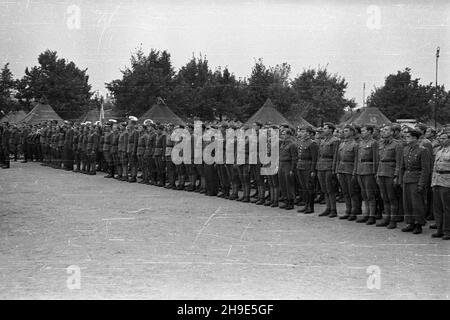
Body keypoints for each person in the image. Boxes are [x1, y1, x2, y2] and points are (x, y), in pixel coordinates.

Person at [399, 128, 430, 234]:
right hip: (407, 178)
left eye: (408, 137)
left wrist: (422, 183)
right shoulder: (406, 149)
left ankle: (418, 224)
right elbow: (402, 166)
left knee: (417, 203)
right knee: (407, 202)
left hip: (416, 179)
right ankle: (410, 222)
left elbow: (425, 169)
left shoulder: (423, 150)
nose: (406, 139)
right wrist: (401, 179)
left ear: (415, 138)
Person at [376, 125, 403, 229]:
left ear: (392, 132)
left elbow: (399, 162)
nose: (383, 132)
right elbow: (380, 160)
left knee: (392, 197)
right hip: (382, 172)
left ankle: (393, 220)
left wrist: (396, 176)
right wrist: (378, 174)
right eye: (382, 130)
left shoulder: (397, 144)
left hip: (390, 173)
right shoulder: (381, 143)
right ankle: (386, 218)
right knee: (384, 197)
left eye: (386, 130)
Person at [334, 124, 360, 219]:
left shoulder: (355, 144)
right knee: (345, 192)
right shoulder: (341, 144)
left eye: (346, 131)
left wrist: (354, 172)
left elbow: (357, 160)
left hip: (350, 170)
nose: (344, 133)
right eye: (344, 131)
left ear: (352, 132)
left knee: (352, 192)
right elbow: (338, 159)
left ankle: (354, 211)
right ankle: (348, 210)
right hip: (341, 169)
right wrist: (337, 170)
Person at [355, 125, 379, 225]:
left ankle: (372, 215)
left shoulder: (374, 143)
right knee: (364, 194)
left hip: (369, 170)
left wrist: (375, 172)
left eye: (364, 131)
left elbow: (376, 159)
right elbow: (357, 158)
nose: (362, 132)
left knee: (370, 194)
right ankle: (367, 214)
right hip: (360, 169)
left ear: (369, 132)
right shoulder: (360, 143)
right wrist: (356, 170)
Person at [316, 122, 340, 217]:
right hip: (321, 166)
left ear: (331, 130)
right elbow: (319, 155)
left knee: (330, 189)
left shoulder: (335, 141)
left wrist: (334, 169)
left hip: (329, 166)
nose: (323, 130)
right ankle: (328, 208)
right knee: (324, 189)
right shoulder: (323, 140)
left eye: (325, 128)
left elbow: (335, 156)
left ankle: (333, 209)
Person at [431, 128, 450, 240]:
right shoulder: (439, 151)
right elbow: (434, 168)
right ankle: (440, 229)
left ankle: (448, 231)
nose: (441, 140)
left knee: (447, 208)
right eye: (440, 138)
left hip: (447, 181)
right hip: (437, 180)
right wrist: (433, 182)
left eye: (443, 138)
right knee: (437, 207)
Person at [296, 125, 318, 214]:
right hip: (300, 166)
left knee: (309, 187)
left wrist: (313, 170)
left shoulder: (312, 143)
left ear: (308, 134)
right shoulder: (301, 142)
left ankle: (310, 207)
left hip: (308, 167)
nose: (301, 133)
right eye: (301, 131)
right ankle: (306, 205)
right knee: (303, 187)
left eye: (303, 131)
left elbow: (314, 158)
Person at [278, 126, 298, 210]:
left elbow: (294, 158)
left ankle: (291, 202)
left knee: (289, 184)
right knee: (282, 184)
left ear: (289, 135)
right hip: (282, 164)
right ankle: (286, 200)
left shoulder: (292, 144)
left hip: (288, 165)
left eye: (284, 134)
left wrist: (292, 169)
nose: (283, 135)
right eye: (282, 134)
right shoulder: (283, 143)